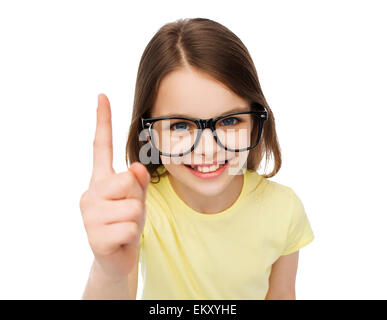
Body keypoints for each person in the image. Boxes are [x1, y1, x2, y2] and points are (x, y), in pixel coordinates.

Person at [80, 18, 315, 300]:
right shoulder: (141, 211)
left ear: (255, 121)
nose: (207, 148)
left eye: (229, 121)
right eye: (180, 126)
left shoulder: (283, 210)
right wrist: (108, 271)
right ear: (149, 133)